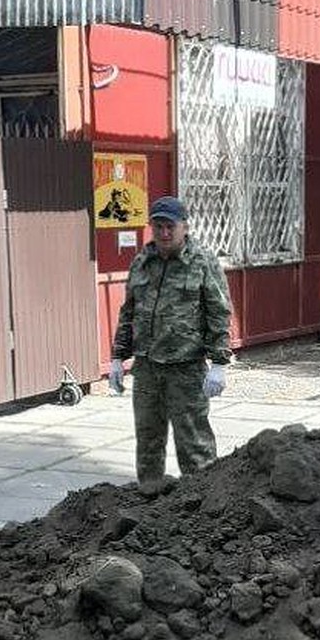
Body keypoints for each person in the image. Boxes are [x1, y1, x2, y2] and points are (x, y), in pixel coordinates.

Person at [109, 195, 232, 495]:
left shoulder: (202, 262)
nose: (164, 233)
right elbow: (129, 311)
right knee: (148, 439)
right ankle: (150, 502)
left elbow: (219, 310)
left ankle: (202, 505)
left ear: (185, 226)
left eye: (170, 226)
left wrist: (219, 363)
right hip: (147, 367)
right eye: (158, 226)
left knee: (194, 443)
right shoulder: (142, 262)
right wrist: (117, 357)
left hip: (186, 368)